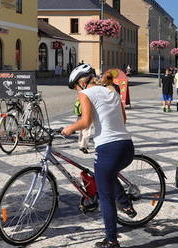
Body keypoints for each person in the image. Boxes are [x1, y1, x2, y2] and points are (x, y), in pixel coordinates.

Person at [62, 64, 135, 248]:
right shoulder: (111, 91)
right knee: (106, 176)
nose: (75, 92)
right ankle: (126, 203)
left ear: (81, 82)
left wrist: (69, 128)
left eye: (75, 88)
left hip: (108, 148)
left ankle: (111, 240)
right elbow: (123, 119)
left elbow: (85, 121)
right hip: (126, 146)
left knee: (105, 196)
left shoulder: (86, 94)